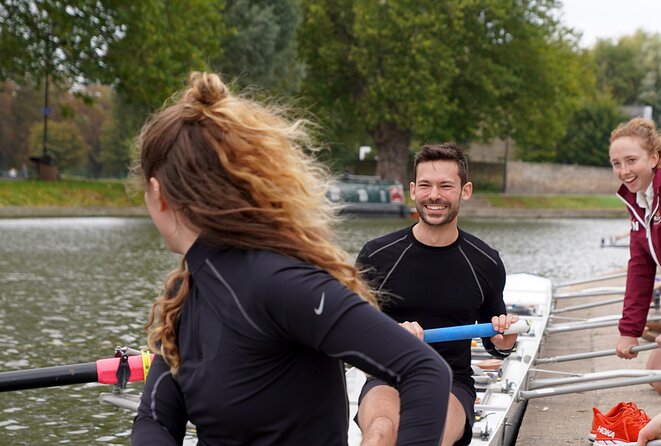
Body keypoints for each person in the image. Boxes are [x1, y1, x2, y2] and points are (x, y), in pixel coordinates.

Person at [128, 71, 452, 446]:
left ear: (157, 192)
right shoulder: (184, 291)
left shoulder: (279, 282)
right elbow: (155, 419)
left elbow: (423, 370)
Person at [355, 143, 518, 446]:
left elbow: (495, 342)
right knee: (380, 432)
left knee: (424, 439)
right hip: (387, 374)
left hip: (451, 380)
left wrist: (504, 343)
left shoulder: (486, 262)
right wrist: (391, 334)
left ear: (464, 191)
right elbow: (353, 334)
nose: (434, 196)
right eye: (426, 186)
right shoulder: (376, 255)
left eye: (446, 186)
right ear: (413, 190)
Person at [609, 117, 661, 394]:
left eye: (631, 160)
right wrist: (629, 330)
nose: (623, 171)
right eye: (616, 164)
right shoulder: (638, 201)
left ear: (654, 157)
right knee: (659, 379)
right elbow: (640, 269)